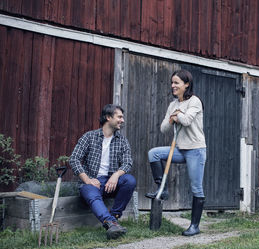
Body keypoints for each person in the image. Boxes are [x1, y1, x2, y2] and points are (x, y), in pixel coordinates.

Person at [145, 69, 207, 236]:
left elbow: (186, 121)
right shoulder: (173, 104)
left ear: (186, 84)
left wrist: (178, 116)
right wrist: (173, 117)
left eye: (176, 83)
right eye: (172, 82)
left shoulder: (194, 102)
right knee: (154, 154)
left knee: (196, 187)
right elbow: (164, 128)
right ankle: (162, 189)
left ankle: (194, 226)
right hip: (180, 149)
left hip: (195, 149)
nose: (173, 86)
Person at [69, 104, 136, 240]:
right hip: (92, 182)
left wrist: (116, 175)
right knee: (89, 191)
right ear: (108, 117)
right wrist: (87, 180)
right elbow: (74, 159)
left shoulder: (122, 140)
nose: (122, 120)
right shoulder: (89, 137)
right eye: (119, 117)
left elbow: (127, 162)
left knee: (129, 180)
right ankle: (110, 223)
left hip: (111, 183)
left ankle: (114, 217)